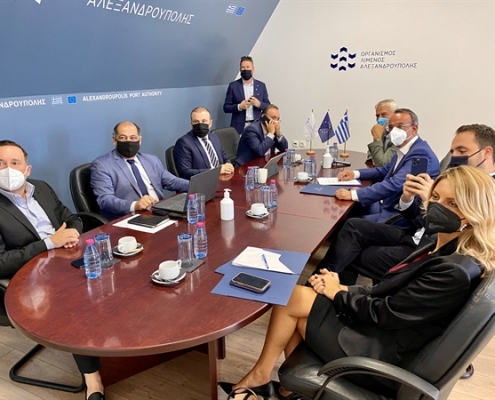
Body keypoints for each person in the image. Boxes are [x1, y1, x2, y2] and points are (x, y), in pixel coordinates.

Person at [219, 165, 495, 399]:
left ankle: (261, 377)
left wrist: (338, 294)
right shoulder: (441, 243)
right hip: (388, 333)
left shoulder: (454, 270)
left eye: (452, 203)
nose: (436, 206)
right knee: (299, 301)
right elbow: (392, 292)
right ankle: (288, 389)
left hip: (383, 355)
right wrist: (343, 288)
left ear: (474, 212)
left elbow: (385, 313)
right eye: (435, 196)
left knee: (293, 300)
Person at [316, 123, 495, 285]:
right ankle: (321, 285)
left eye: (462, 151)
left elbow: (452, 234)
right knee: (353, 226)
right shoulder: (456, 178)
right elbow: (418, 218)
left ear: (487, 152)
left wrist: (432, 201)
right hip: (414, 232)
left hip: (427, 248)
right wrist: (408, 199)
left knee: (350, 254)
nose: (455, 157)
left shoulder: (487, 193)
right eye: (453, 152)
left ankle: (327, 292)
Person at [0, 141, 104, 400]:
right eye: (0, 164)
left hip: (66, 256)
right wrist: (49, 243)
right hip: (29, 275)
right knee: (75, 302)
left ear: (27, 169)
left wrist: (72, 234)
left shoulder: (42, 188)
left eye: (14, 163)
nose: (8, 169)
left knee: (119, 270)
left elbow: (73, 218)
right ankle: (94, 382)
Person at [336, 108, 440, 222]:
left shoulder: (420, 153)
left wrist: (353, 194)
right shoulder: (405, 148)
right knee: (347, 211)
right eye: (390, 127)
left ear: (414, 129)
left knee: (349, 223)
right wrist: (355, 173)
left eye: (400, 126)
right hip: (385, 204)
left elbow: (395, 184)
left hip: (397, 214)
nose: (393, 131)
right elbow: (384, 170)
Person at [90, 121, 189, 220]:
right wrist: (135, 205)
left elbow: (172, 181)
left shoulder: (151, 160)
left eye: (133, 138)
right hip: (129, 217)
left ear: (139, 140)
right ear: (114, 140)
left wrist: (194, 185)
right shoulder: (102, 165)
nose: (128, 142)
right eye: (123, 138)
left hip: (160, 211)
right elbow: (105, 200)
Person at [173, 106, 234, 179]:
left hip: (222, 179)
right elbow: (185, 172)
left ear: (210, 123)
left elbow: (224, 156)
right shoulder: (184, 143)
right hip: (202, 182)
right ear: (191, 123)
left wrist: (228, 164)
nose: (200, 125)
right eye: (196, 122)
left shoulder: (214, 137)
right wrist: (216, 171)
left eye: (204, 121)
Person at [223, 56, 271, 135]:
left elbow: (268, 106)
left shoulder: (261, 86)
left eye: (248, 67)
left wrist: (259, 104)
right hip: (238, 128)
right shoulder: (233, 86)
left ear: (253, 69)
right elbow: (226, 107)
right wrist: (239, 107)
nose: (245, 69)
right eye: (243, 67)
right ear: (240, 69)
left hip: (257, 126)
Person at [367, 99, 398, 167]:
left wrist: (377, 139)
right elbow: (370, 156)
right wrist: (376, 138)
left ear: (395, 115)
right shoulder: (383, 132)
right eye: (377, 116)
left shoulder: (400, 136)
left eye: (384, 115)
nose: (379, 119)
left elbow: (382, 165)